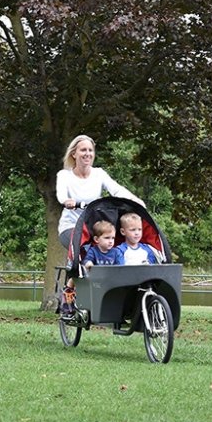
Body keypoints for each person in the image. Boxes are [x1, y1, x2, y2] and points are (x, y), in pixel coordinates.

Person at [56, 134, 144, 317]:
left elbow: (116, 190)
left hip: (93, 227)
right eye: (83, 150)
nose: (87, 154)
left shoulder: (99, 174)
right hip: (71, 226)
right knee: (82, 248)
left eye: (90, 150)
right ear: (74, 154)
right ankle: (68, 292)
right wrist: (67, 201)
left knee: (110, 247)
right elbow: (61, 195)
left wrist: (136, 201)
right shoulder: (64, 175)